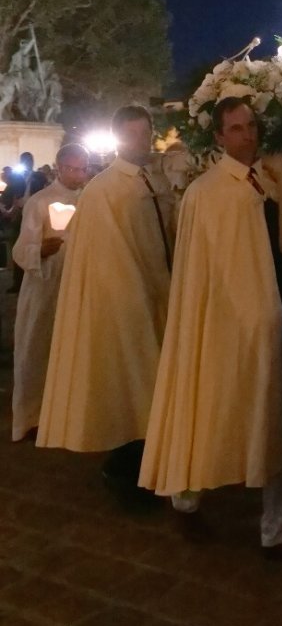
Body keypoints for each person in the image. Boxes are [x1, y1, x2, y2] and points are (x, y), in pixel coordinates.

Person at [140, 98, 282, 548]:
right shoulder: (208, 193)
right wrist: (241, 313)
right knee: (212, 407)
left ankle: (277, 526)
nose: (247, 135)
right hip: (226, 323)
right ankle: (186, 498)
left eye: (251, 126)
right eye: (236, 128)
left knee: (275, 415)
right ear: (221, 137)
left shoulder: (267, 180)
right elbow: (209, 269)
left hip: (275, 312)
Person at [37, 105, 175, 500]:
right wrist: (137, 297)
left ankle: (147, 466)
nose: (141, 140)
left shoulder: (151, 180)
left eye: (145, 132)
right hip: (127, 305)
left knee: (150, 390)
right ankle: (126, 474)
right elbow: (105, 256)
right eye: (131, 134)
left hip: (158, 294)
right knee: (131, 389)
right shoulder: (103, 190)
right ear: (118, 138)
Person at [11, 144, 89, 441]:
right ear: (59, 168)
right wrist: (39, 251)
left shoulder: (89, 200)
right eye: (74, 169)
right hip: (45, 287)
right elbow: (20, 249)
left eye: (84, 169)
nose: (80, 175)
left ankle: (64, 414)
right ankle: (30, 417)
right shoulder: (40, 202)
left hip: (76, 286)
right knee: (36, 350)